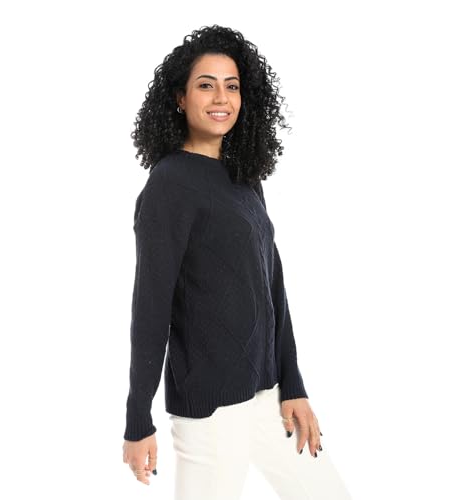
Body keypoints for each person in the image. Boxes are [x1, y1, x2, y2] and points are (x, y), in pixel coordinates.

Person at [122, 25, 352, 500]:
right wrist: (137, 419)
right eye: (206, 85)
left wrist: (294, 384)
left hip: (268, 395)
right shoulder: (169, 184)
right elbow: (151, 307)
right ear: (180, 98)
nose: (221, 98)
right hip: (210, 412)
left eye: (232, 85)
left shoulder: (243, 177)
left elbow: (273, 287)